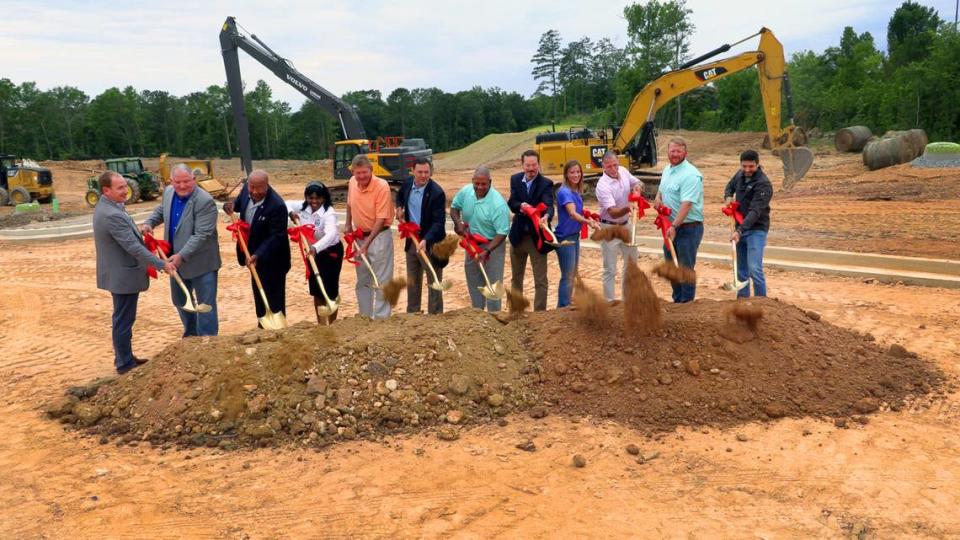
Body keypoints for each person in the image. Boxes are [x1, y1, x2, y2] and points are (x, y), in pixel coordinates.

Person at [93, 171, 175, 374]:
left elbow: (128, 238)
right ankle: (124, 364)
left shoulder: (110, 207)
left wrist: (141, 232)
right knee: (123, 320)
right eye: (120, 187)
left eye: (124, 186)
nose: (125, 190)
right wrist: (161, 264)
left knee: (124, 319)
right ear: (106, 190)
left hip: (120, 274)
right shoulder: (111, 214)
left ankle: (125, 357)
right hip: (122, 276)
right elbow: (133, 248)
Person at [140, 164, 221, 337]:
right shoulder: (169, 192)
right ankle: (191, 334)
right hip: (174, 261)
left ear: (194, 180)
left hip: (201, 263)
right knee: (180, 300)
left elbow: (202, 235)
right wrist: (150, 222)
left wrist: (181, 256)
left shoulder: (204, 201)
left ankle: (207, 341)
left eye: (186, 181)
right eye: (178, 182)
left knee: (205, 304)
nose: (182, 186)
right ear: (171, 181)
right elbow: (162, 211)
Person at [224, 169, 291, 324]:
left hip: (273, 260)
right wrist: (231, 205)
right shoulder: (247, 191)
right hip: (252, 255)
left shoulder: (277, 205)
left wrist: (258, 254)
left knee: (273, 297)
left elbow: (276, 237)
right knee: (259, 294)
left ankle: (278, 330)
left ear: (266, 185)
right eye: (251, 187)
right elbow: (238, 204)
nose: (254, 191)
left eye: (258, 188)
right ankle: (263, 325)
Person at [451, 165, 511, 312]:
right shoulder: (466, 192)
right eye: (477, 183)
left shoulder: (498, 204)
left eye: (483, 184)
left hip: (493, 245)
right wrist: (458, 223)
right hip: (471, 243)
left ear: (490, 182)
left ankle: (494, 316)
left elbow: (502, 233)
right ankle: (477, 313)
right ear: (472, 180)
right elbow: (454, 208)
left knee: (493, 282)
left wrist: (487, 251)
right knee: (473, 278)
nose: (480, 187)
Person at [345, 154, 395, 319]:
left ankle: (381, 318)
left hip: (379, 237)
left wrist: (367, 244)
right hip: (359, 236)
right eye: (358, 173)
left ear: (371, 170)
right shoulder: (353, 183)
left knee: (382, 278)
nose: (361, 177)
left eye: (364, 173)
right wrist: (347, 224)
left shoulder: (382, 186)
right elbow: (349, 204)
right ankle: (365, 317)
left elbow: (381, 219)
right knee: (363, 278)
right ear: (353, 172)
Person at [654, 137, 704, 303]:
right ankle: (677, 301)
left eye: (678, 151)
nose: (675, 154)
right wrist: (658, 198)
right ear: (668, 152)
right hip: (670, 227)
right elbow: (662, 189)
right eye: (672, 151)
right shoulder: (668, 170)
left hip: (687, 228)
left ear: (685, 153)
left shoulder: (691, 175)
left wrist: (674, 225)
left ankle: (686, 304)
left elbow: (687, 204)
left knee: (685, 268)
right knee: (671, 267)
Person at [286, 181, 344, 324]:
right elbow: (285, 203)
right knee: (317, 288)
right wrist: (291, 213)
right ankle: (321, 323)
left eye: (318, 198)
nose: (314, 201)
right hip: (313, 252)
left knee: (330, 289)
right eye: (310, 198)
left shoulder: (328, 213)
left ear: (324, 198)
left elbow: (330, 235)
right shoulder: (303, 207)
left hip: (330, 252)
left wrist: (315, 248)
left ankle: (332, 323)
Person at [396, 157, 447, 314]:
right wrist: (399, 207)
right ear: (413, 171)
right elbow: (399, 196)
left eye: (427, 172)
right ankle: (413, 313)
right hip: (412, 241)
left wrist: (426, 240)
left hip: (432, 244)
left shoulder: (437, 193)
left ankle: (435, 315)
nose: (424, 175)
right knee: (413, 281)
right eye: (420, 172)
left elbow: (439, 223)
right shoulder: (407, 184)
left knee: (434, 280)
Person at [507, 150, 554, 311]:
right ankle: (515, 311)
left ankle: (539, 316)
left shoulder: (546, 183)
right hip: (518, 236)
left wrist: (546, 216)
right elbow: (512, 201)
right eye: (528, 165)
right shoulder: (515, 179)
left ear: (538, 165)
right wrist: (521, 206)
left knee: (540, 280)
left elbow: (548, 204)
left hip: (537, 238)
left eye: (534, 165)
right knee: (516, 278)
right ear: (522, 165)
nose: (531, 168)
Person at [594, 151, 644, 302]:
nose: (613, 169)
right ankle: (609, 301)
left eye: (615, 164)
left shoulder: (623, 171)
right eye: (609, 166)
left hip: (626, 225)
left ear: (618, 163)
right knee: (610, 267)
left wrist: (637, 188)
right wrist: (628, 208)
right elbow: (612, 212)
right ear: (603, 166)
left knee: (631, 264)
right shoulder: (602, 186)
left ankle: (627, 299)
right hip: (609, 227)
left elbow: (638, 182)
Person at [724, 149, 773, 298]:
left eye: (751, 167)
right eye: (744, 166)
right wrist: (728, 197)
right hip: (740, 227)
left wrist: (739, 231)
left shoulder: (763, 184)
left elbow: (755, 211)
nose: (747, 170)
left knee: (754, 269)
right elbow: (729, 187)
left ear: (757, 165)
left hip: (756, 229)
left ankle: (761, 303)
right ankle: (742, 302)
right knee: (741, 270)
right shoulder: (740, 175)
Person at [554, 160, 596, 307]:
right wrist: (588, 222)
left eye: (578, 172)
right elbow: (572, 213)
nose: (576, 175)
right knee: (568, 276)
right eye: (572, 172)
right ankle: (563, 307)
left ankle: (567, 303)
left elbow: (577, 212)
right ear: (566, 174)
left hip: (574, 236)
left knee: (572, 274)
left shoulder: (575, 191)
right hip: (565, 238)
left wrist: (588, 217)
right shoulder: (564, 192)